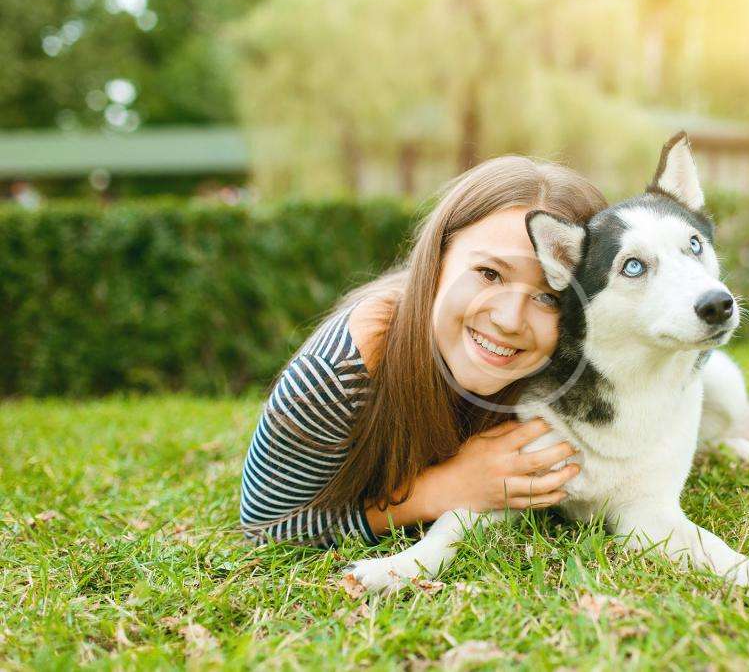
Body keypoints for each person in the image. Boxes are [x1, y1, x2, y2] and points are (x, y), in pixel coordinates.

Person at [239, 156, 608, 547]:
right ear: (437, 259)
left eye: (549, 297)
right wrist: (441, 489)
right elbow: (266, 527)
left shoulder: (576, 366)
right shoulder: (338, 371)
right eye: (489, 274)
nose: (509, 320)